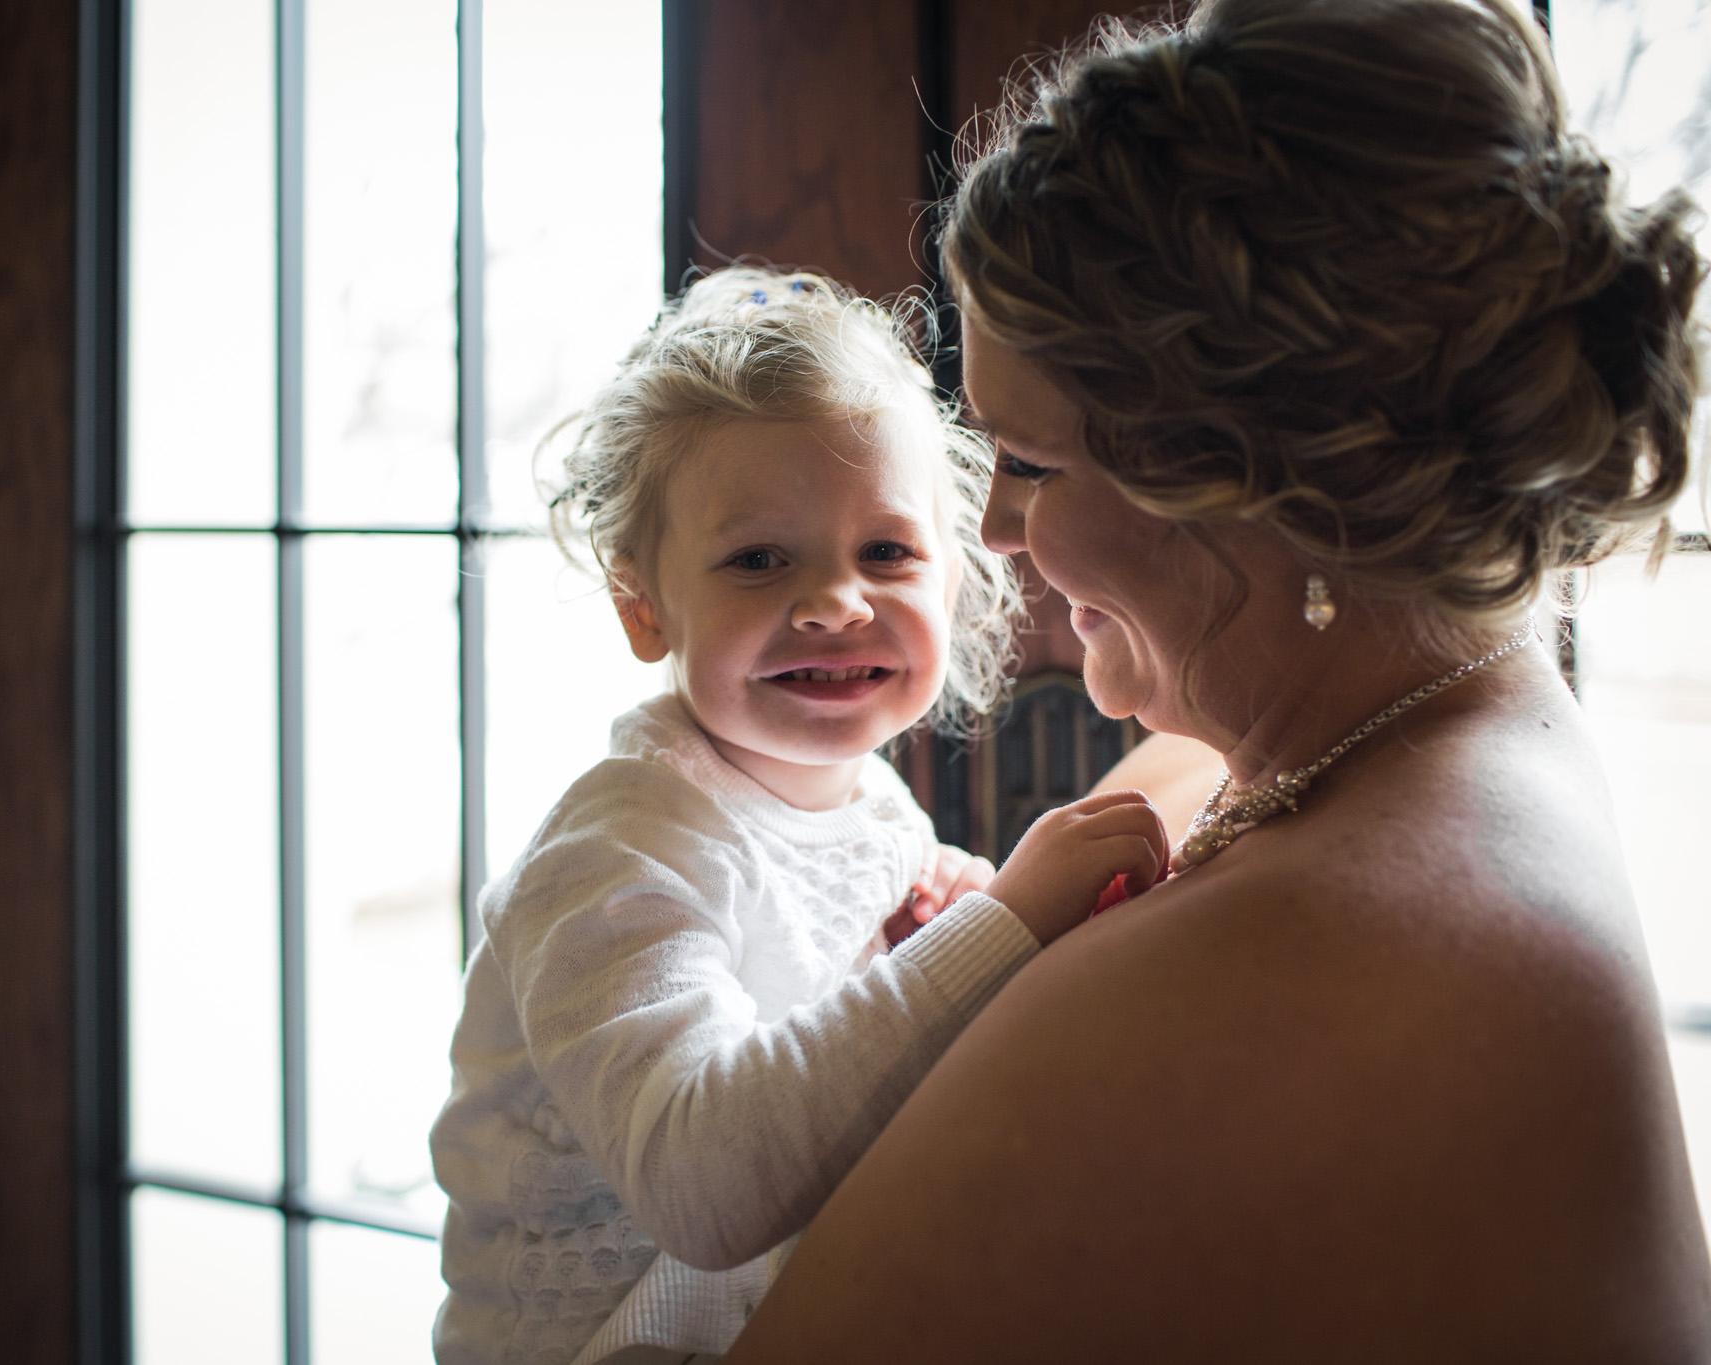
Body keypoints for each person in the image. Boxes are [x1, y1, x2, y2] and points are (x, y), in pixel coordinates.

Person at [724, 0, 1711, 1357]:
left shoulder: (1307, 949)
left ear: (1261, 479)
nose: (999, 530)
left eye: (1035, 463)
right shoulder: (1457, 723)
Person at [429, 266, 1168, 1365]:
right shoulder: (612, 855)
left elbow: (866, 1005)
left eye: (885, 552)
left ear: (952, 580)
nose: (833, 601)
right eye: (757, 560)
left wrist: (954, 912)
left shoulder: (869, 807)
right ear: (643, 605)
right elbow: (704, 1186)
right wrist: (999, 925)